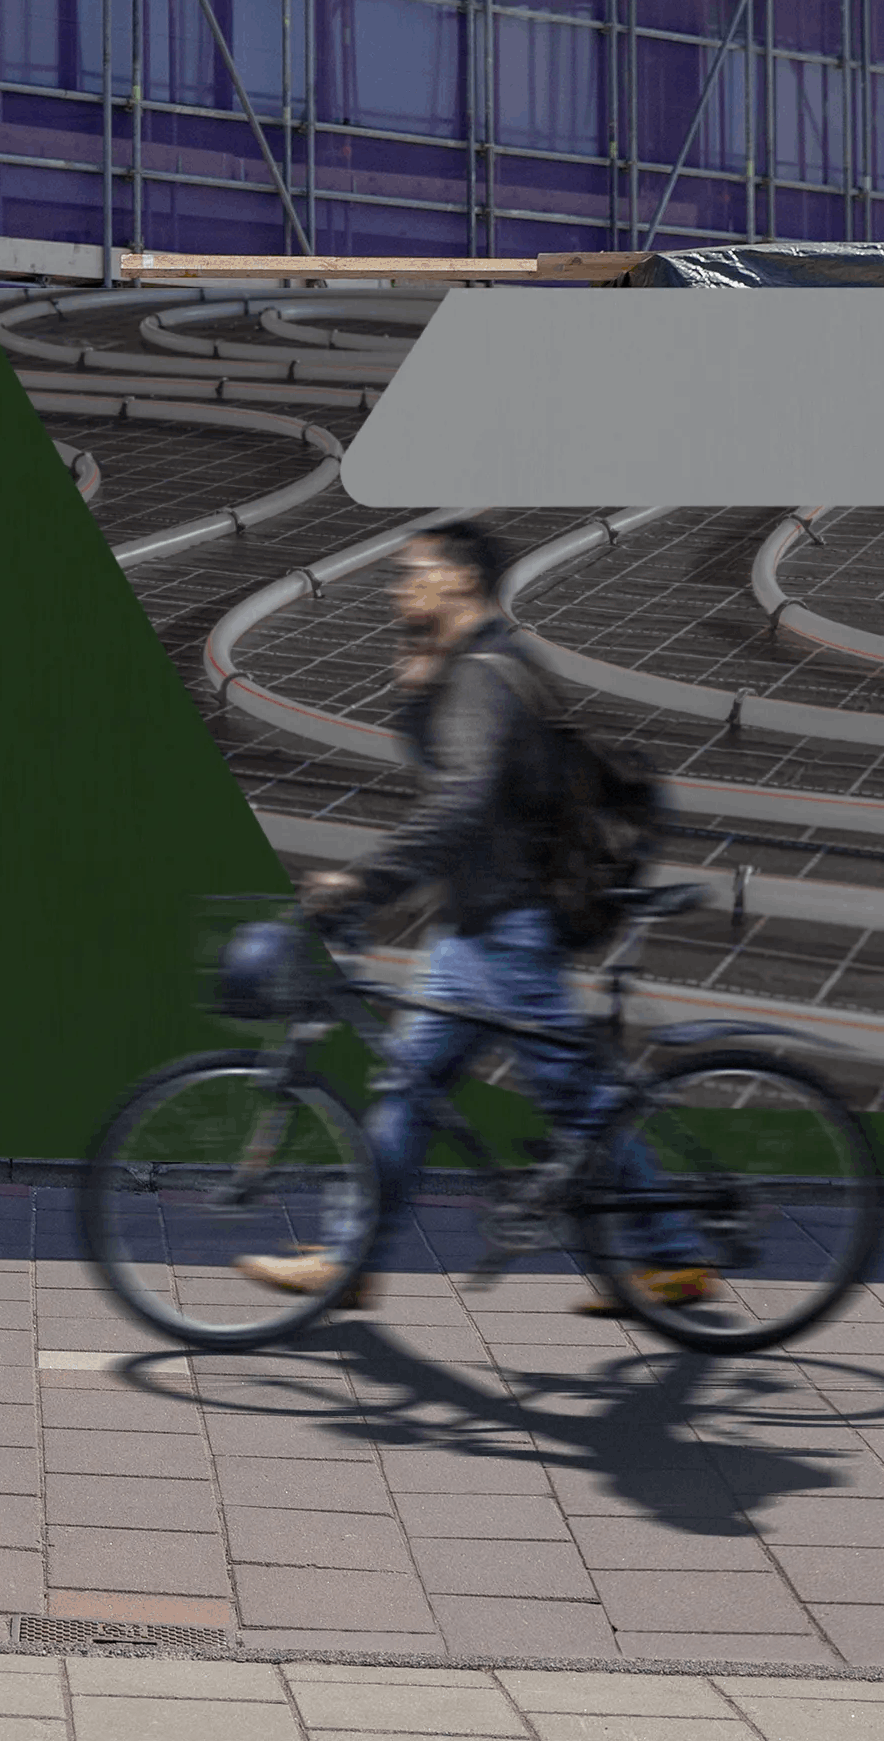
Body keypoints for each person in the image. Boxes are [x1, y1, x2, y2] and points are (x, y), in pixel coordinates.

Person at [236, 517, 710, 1314]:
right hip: (477, 928)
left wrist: (362, 885)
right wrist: (418, 688)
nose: (397, 587)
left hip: (504, 928)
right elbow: (460, 775)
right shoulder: (482, 664)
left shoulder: (486, 674)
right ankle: (352, 1263)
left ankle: (674, 1256)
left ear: (457, 579)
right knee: (412, 1092)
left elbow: (461, 802)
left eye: (410, 572)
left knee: (571, 1098)